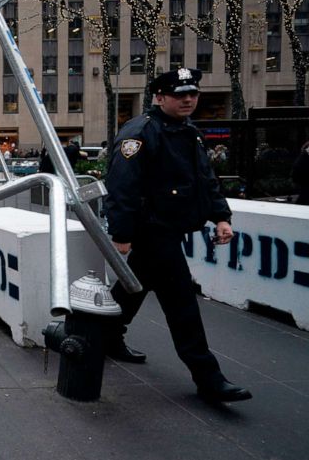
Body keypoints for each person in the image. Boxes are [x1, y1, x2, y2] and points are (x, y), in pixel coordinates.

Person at [105, 67, 251, 403]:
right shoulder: (141, 131)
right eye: (179, 94)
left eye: (192, 94)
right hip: (152, 230)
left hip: (170, 227)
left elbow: (204, 179)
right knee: (182, 303)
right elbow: (122, 186)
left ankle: (101, 336)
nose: (187, 99)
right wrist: (122, 232)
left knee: (133, 287)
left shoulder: (188, 132)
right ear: (159, 97)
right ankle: (208, 377)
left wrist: (221, 216)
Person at [292, 140, 309, 205]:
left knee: (304, 196)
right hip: (303, 180)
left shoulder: (304, 155)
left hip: (303, 179)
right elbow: (299, 168)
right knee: (304, 196)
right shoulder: (303, 156)